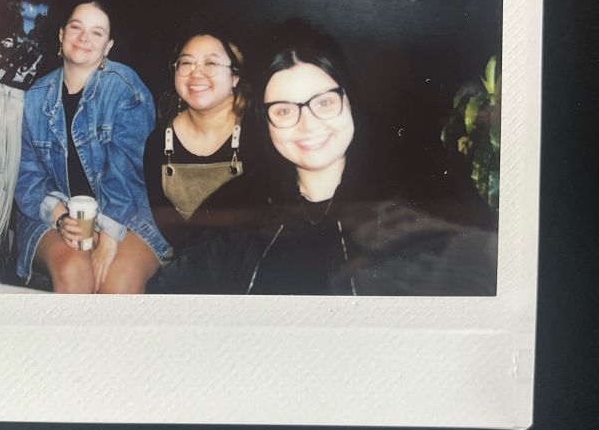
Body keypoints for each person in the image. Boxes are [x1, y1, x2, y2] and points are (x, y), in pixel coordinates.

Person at [151, 20, 497, 296]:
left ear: (350, 102)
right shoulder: (238, 216)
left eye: (325, 102)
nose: (308, 124)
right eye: (284, 110)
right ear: (265, 123)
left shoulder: (412, 210)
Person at [13, 0, 169, 293]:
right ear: (61, 35)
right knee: (74, 271)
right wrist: (60, 216)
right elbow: (26, 176)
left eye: (97, 33)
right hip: (52, 209)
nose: (84, 38)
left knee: (116, 281)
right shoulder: (33, 97)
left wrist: (108, 236)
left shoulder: (126, 89)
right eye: (76, 27)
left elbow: (127, 174)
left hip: (127, 212)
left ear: (108, 47)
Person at [144, 32, 264, 252]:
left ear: (235, 77)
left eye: (210, 63)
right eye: (186, 62)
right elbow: (164, 220)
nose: (196, 73)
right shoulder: (158, 142)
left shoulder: (259, 134)